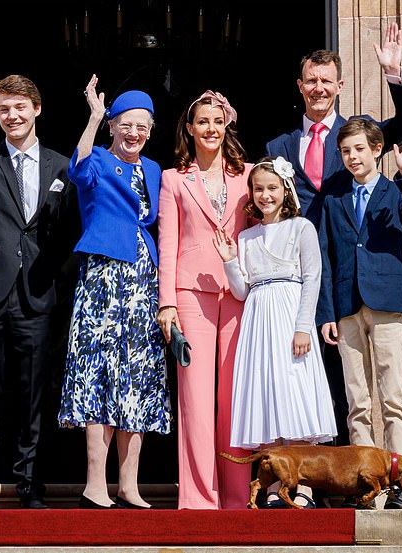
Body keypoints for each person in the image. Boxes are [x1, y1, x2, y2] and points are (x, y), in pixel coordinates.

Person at [266, 22, 402, 447]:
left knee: (359, 385)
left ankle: (354, 479)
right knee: (306, 375)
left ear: (340, 85)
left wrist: (394, 74)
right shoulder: (280, 146)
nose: (318, 88)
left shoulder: (358, 135)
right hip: (298, 277)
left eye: (326, 81)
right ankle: (312, 474)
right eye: (311, 80)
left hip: (353, 276)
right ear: (300, 86)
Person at [0, 75, 77, 510]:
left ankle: (29, 487)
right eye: (4, 109)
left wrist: (59, 283)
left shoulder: (63, 166)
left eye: (19, 107)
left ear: (36, 109)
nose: (12, 116)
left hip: (38, 295)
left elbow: (69, 233)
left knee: (33, 397)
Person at [58, 75, 171, 509]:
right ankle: (94, 484)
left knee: (137, 379)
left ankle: (129, 485)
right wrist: (92, 117)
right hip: (104, 280)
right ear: (113, 125)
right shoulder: (100, 160)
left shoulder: (156, 169)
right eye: (126, 124)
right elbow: (77, 169)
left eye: (143, 126)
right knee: (99, 376)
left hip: (144, 282)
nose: (134, 133)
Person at [318, 118, 402, 509]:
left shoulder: (394, 189)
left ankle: (400, 487)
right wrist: (327, 313)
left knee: (391, 398)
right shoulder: (333, 196)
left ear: (376, 150)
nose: (352, 157)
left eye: (359, 149)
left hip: (386, 302)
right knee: (357, 401)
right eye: (346, 151)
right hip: (347, 304)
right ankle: (365, 487)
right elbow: (326, 254)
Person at [214, 156, 337, 509]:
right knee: (268, 395)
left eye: (272, 188)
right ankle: (273, 487)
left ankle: (305, 487)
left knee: (294, 393)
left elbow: (312, 278)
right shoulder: (247, 236)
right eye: (258, 189)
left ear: (285, 189)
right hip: (258, 317)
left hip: (289, 312)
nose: (265, 195)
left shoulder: (302, 228)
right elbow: (241, 290)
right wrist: (228, 259)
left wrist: (303, 327)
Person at [157, 90, 251, 509]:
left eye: (217, 121)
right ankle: (198, 498)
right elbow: (168, 243)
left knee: (235, 395)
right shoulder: (173, 178)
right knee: (195, 396)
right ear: (190, 129)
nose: (211, 129)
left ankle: (236, 495)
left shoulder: (248, 175)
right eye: (203, 122)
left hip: (239, 293)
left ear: (226, 124)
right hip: (190, 294)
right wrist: (167, 304)